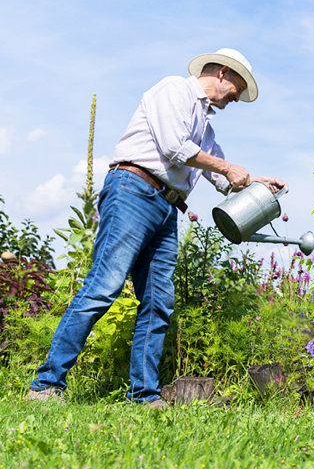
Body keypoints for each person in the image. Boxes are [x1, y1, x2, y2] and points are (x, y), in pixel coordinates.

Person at [26, 48, 286, 408]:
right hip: (133, 191)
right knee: (103, 287)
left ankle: (145, 396)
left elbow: (221, 176)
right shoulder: (174, 91)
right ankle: (46, 385)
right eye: (237, 89)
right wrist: (228, 168)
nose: (237, 98)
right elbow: (175, 148)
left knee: (158, 302)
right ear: (223, 74)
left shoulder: (206, 127)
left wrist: (256, 181)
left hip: (166, 208)